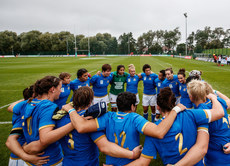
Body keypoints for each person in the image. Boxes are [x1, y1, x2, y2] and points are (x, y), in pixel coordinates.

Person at [62, 91, 186, 165]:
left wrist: (70, 109)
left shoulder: (107, 117)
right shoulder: (135, 118)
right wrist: (175, 110)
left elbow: (81, 126)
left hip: (111, 163)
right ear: (133, 106)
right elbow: (159, 132)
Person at [126, 86, 224, 166]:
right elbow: (219, 112)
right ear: (175, 103)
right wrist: (214, 99)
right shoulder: (191, 114)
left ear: (158, 107)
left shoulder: (153, 131)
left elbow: (143, 163)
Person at [56, 86, 142, 165]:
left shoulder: (61, 118)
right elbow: (105, 147)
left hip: (68, 162)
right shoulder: (91, 120)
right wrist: (132, 154)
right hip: (87, 163)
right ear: (90, 101)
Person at [9, 76, 75, 166]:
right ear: (52, 89)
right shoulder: (48, 106)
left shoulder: (26, 104)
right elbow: (45, 139)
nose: (61, 91)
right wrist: (74, 123)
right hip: (48, 160)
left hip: (30, 162)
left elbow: (12, 108)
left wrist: (26, 151)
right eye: (60, 88)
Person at [6, 85, 49, 166]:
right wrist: (25, 157)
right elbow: (10, 141)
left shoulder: (31, 108)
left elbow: (11, 107)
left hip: (29, 153)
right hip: (20, 157)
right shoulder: (23, 114)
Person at [189, 81, 230, 166]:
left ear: (191, 97)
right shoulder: (218, 101)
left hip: (216, 157)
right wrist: (215, 96)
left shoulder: (201, 111)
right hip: (225, 148)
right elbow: (228, 102)